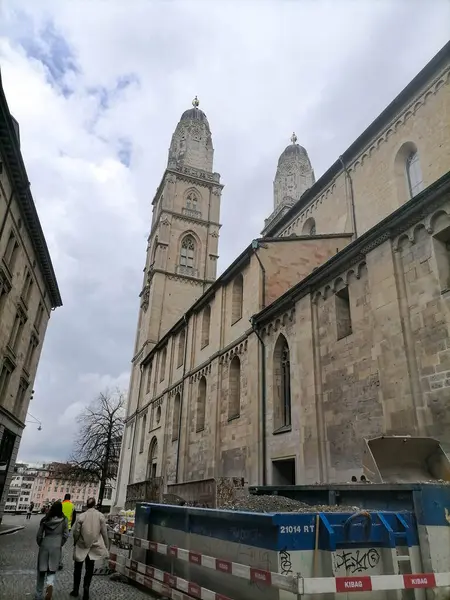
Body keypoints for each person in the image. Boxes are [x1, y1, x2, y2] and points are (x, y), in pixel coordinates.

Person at [70, 497, 108, 600]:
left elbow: (76, 532)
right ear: (95, 505)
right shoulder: (100, 516)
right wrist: (106, 545)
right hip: (93, 546)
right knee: (89, 569)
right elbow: (104, 532)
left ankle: (75, 589)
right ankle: (86, 587)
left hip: (81, 545)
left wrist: (75, 541)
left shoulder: (82, 516)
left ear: (87, 505)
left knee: (77, 568)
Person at [35, 500, 69, 600]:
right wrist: (60, 543)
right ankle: (49, 589)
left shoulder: (45, 519)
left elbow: (39, 535)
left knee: (41, 571)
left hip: (45, 545)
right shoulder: (64, 520)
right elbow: (66, 534)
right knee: (52, 571)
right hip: (56, 547)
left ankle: (38, 595)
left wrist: (41, 543)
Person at [59, 493, 76, 570]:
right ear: (70, 498)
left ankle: (54, 560)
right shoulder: (72, 506)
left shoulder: (61, 504)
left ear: (64, 498)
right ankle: (60, 562)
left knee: (57, 543)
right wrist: (70, 526)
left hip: (58, 526)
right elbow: (74, 517)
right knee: (62, 545)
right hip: (67, 527)